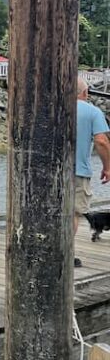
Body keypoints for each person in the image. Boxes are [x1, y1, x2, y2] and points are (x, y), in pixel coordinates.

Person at [74, 77, 110, 267]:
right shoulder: (93, 112)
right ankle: (65, 253)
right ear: (85, 92)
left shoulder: (53, 108)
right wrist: (107, 167)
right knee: (73, 213)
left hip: (48, 171)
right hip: (77, 171)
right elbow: (101, 141)